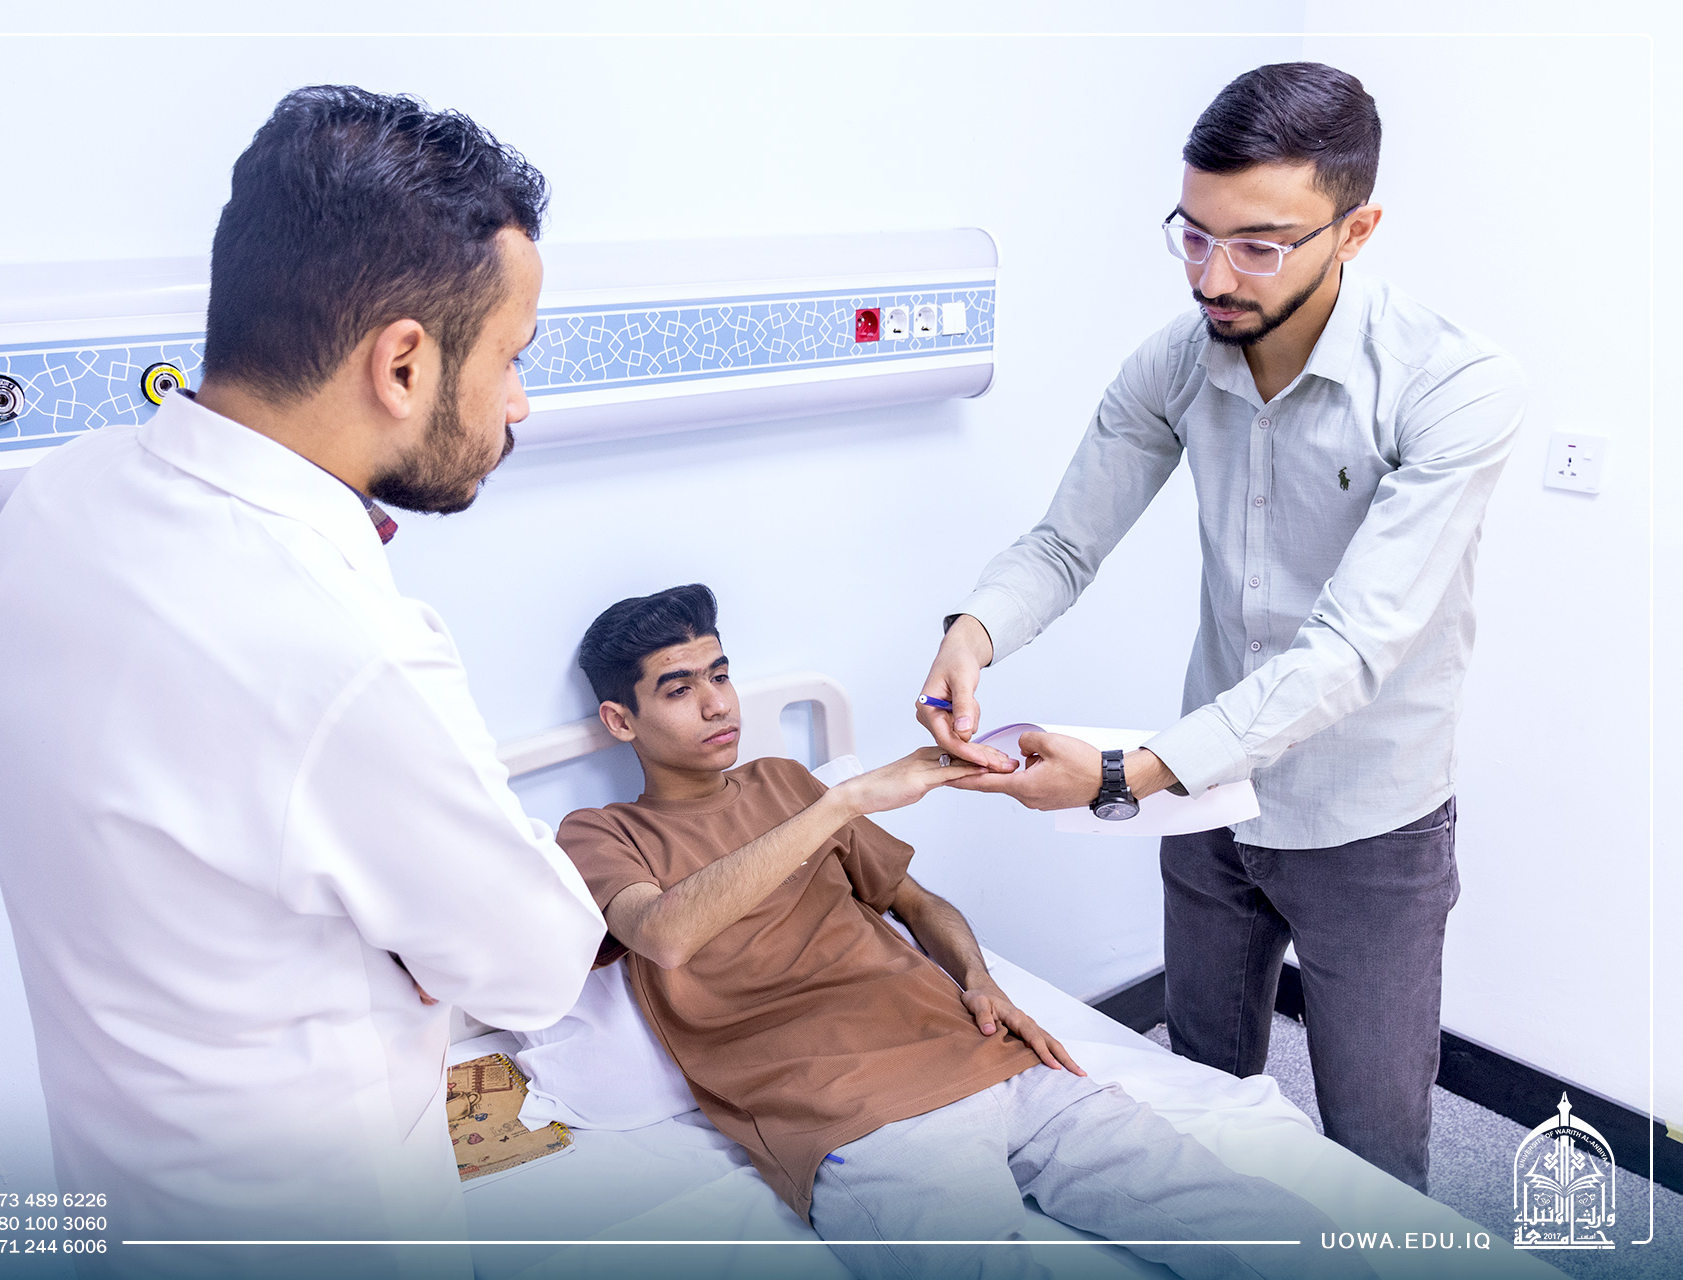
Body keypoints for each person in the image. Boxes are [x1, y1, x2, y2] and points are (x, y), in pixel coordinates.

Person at [0, 87, 606, 1276]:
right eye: (512, 356)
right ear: (401, 362)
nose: (519, 401)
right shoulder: (344, 651)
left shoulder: (54, 503)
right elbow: (538, 961)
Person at [917, 63, 1525, 1193]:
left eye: (1258, 245)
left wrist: (1123, 774)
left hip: (1367, 818)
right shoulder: (1174, 360)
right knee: (1196, 1102)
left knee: (1374, 1154)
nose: (1211, 275)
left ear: (1356, 231)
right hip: (1204, 801)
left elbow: (1351, 648)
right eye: (1193, 236)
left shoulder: (1454, 387)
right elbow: (1065, 543)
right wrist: (975, 632)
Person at [555, 584, 1371, 1280]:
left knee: (1247, 1221)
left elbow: (918, 904)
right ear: (621, 721)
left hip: (991, 1058)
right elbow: (663, 934)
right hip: (857, 1118)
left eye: (721, 675)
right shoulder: (600, 833)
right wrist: (841, 803)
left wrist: (980, 981)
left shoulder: (784, 781)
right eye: (678, 689)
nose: (717, 704)